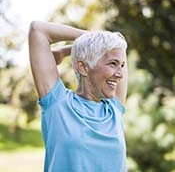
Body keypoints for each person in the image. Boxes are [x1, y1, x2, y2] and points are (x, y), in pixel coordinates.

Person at [28, 21, 128, 172]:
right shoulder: (58, 104)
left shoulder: (114, 108)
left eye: (122, 65)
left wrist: (71, 49)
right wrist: (92, 40)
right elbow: (38, 29)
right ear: (83, 67)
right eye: (113, 64)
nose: (120, 74)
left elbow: (119, 40)